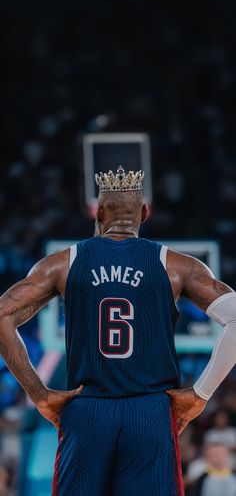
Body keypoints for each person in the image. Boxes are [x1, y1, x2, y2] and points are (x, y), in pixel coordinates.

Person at [0, 166, 236, 495]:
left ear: (98, 212)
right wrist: (201, 394)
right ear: (144, 212)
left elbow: (2, 315)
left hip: (88, 409)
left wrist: (38, 394)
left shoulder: (62, 263)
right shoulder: (177, 266)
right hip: (150, 412)